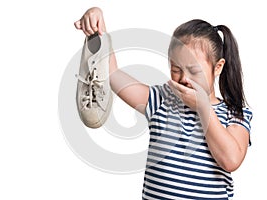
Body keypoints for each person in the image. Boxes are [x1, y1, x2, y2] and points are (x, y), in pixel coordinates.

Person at [74, 7, 253, 200]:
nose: (184, 78)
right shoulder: (161, 100)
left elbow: (231, 160)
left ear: (218, 67)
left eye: (193, 70)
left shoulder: (234, 113)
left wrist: (203, 107)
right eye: (176, 68)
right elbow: (113, 75)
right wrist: (99, 30)